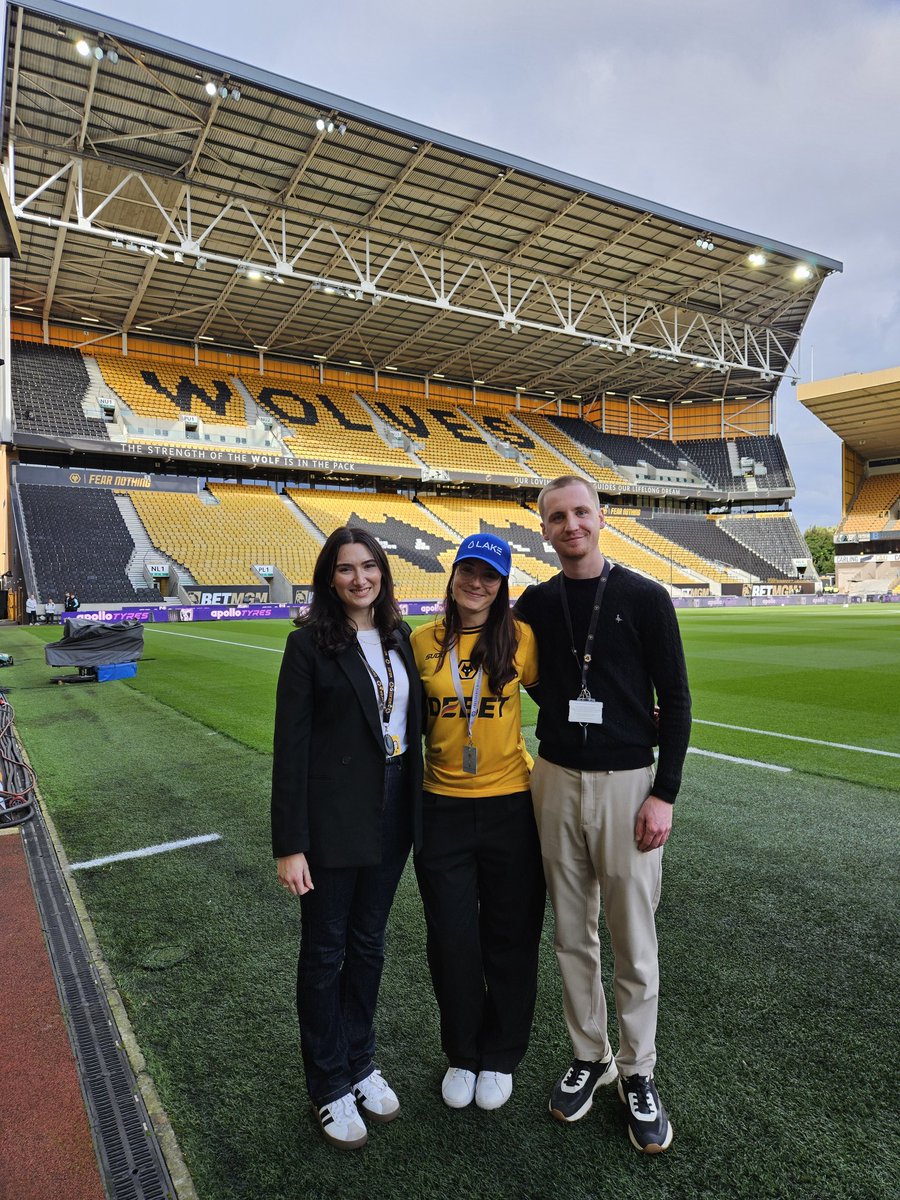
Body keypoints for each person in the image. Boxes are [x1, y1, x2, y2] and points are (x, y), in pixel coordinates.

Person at [515, 476, 691, 1154]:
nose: (571, 525)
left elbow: (676, 699)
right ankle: (590, 1056)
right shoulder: (535, 603)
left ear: (601, 517)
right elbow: (516, 668)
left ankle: (638, 1070)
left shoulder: (645, 597)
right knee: (571, 932)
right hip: (555, 778)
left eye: (581, 512)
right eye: (557, 516)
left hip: (628, 786)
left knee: (633, 938)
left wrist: (664, 792)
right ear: (544, 529)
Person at [271, 527, 423, 1151]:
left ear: (383, 571)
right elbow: (291, 749)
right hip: (332, 819)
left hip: (394, 807)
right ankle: (328, 1082)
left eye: (369, 566)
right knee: (326, 950)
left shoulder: (399, 635)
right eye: (345, 568)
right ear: (328, 578)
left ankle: (360, 1062)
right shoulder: (308, 644)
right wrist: (290, 844)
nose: (360, 579)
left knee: (368, 944)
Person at [411, 533, 545, 1113]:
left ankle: (501, 1054)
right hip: (440, 807)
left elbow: (561, 702)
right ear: (453, 575)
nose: (477, 583)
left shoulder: (521, 639)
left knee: (511, 935)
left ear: (502, 584)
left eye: (490, 575)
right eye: (469, 570)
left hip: (512, 805)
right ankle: (462, 1053)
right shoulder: (421, 641)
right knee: (451, 939)